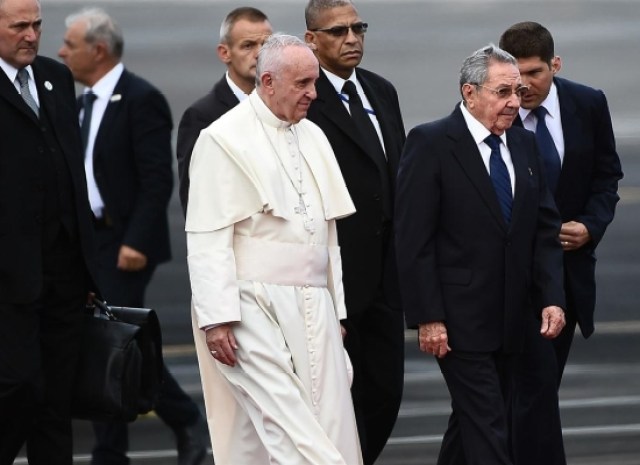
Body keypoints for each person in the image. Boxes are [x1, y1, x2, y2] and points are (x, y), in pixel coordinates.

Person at [186, 34, 362, 465]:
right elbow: (207, 237)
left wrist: (336, 309)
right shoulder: (222, 139)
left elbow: (329, 237)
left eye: (314, 82)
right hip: (249, 303)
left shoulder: (315, 136)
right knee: (285, 420)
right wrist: (217, 317)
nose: (313, 94)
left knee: (329, 419)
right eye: (302, 83)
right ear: (268, 81)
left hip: (313, 302)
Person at [395, 44, 567, 465]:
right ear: (469, 93)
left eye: (518, 91)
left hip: (514, 316)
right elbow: (413, 239)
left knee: (475, 420)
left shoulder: (523, 144)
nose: (515, 102)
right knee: (490, 425)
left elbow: (543, 230)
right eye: (504, 92)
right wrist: (428, 317)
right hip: (458, 320)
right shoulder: (431, 142)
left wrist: (551, 296)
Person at [57, 8, 208, 465]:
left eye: (69, 44)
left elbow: (157, 178)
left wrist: (138, 242)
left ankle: (130, 442)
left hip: (123, 246)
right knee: (108, 344)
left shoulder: (141, 98)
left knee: (114, 342)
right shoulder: (78, 103)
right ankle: (173, 423)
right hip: (88, 246)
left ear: (97, 50)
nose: (60, 52)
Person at [499, 21, 623, 465]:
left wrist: (590, 226)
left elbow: (607, 176)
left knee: (538, 390)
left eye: (534, 73)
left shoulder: (587, 103)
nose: (524, 86)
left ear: (555, 64)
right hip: (506, 276)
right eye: (515, 75)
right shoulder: (491, 107)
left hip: (566, 277)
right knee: (519, 394)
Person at [304, 2, 406, 462]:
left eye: (358, 28)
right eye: (339, 31)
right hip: (336, 275)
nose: (352, 38)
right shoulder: (306, 98)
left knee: (386, 393)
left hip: (388, 273)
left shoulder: (381, 90)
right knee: (338, 398)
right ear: (312, 40)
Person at [0, 0, 99, 463]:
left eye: (37, 25)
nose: (32, 35)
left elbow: (72, 171)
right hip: (8, 276)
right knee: (20, 387)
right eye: (19, 26)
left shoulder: (56, 78)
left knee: (57, 403)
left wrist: (87, 265)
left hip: (63, 271)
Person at [177, 6, 272, 214]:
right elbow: (196, 201)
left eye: (266, 44)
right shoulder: (201, 117)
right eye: (248, 46)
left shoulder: (287, 107)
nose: (259, 54)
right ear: (225, 53)